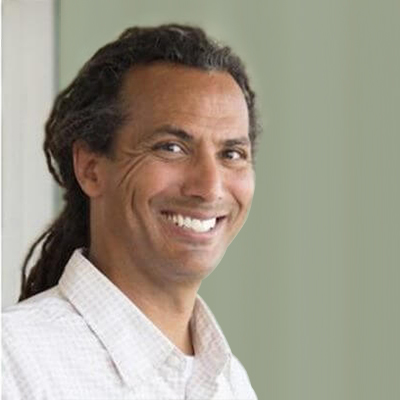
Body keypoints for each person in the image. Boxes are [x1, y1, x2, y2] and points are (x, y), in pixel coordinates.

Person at [2, 24, 260, 399]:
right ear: (91, 168)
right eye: (171, 148)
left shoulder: (231, 384)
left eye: (231, 154)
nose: (209, 187)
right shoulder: (13, 362)